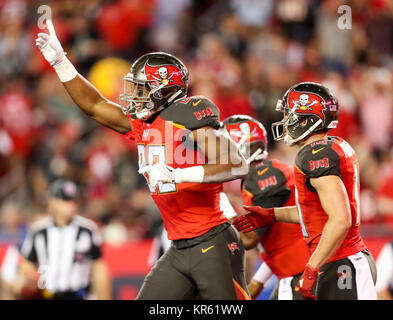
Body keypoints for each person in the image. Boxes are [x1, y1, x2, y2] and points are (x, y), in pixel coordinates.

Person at [35, 19, 250, 300]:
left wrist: (178, 175)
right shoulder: (143, 123)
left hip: (212, 241)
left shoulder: (188, 113)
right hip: (178, 245)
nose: (133, 95)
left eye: (141, 88)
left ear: (163, 90)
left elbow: (235, 163)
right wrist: (61, 62)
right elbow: (95, 105)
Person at [233, 82, 378, 300]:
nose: (286, 122)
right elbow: (314, 212)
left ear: (308, 119)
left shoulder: (313, 155)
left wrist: (311, 268)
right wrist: (273, 214)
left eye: (290, 115)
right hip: (345, 261)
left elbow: (340, 219)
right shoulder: (335, 145)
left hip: (342, 263)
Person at [221, 115, 309, 300]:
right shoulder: (258, 175)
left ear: (244, 148)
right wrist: (258, 282)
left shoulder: (264, 176)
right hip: (296, 272)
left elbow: (247, 239)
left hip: (303, 275)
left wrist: (219, 200)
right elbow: (278, 239)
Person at [16, 179, 111, 300]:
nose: (71, 205)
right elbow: (27, 266)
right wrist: (24, 283)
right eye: (65, 200)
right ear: (52, 202)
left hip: (78, 295)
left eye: (73, 200)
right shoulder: (39, 231)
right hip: (47, 295)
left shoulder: (87, 229)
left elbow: (99, 269)